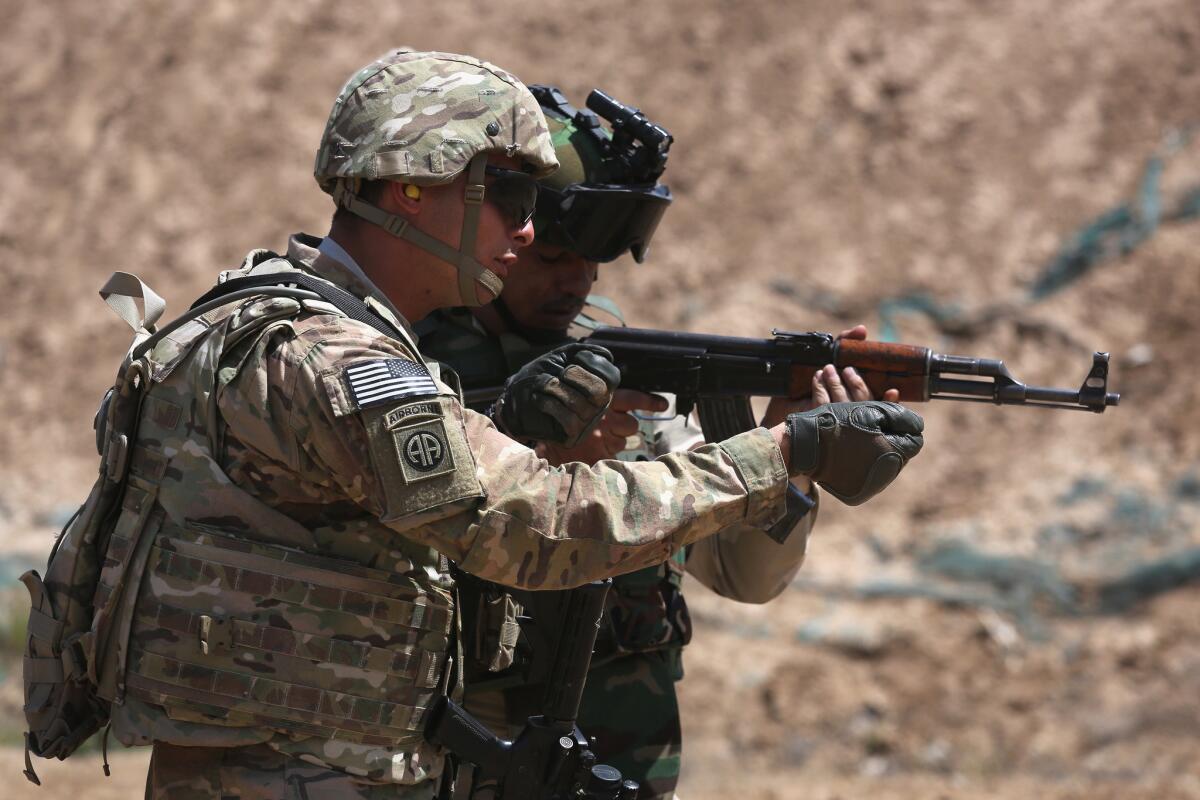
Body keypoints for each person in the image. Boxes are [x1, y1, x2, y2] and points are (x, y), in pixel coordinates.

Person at [93, 49, 923, 799]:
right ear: (407, 187)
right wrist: (784, 451)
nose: (527, 233)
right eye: (508, 199)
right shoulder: (339, 361)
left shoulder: (247, 317)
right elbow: (531, 524)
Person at [417, 86, 899, 799]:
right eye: (551, 254)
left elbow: (747, 576)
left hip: (620, 770)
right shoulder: (409, 375)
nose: (575, 281)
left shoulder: (627, 383)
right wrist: (532, 449)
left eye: (593, 264)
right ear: (497, 233)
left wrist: (783, 455)